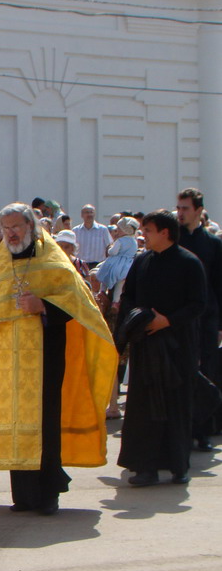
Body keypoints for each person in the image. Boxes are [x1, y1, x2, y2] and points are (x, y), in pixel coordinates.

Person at [0, 203, 116, 515]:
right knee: (12, 423)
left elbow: (78, 303)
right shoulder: (0, 265)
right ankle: (23, 496)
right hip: (5, 362)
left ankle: (48, 494)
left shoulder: (52, 260)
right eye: (5, 228)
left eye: (16, 227)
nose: (10, 234)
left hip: (45, 359)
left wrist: (43, 306)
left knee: (44, 423)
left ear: (31, 227)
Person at [117, 209, 206, 486]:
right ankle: (145, 468)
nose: (143, 235)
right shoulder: (142, 261)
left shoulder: (189, 262)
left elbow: (198, 304)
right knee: (144, 407)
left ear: (164, 233)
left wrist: (167, 321)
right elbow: (128, 296)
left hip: (178, 347)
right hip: (146, 346)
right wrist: (138, 320)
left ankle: (178, 466)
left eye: (148, 230)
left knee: (176, 406)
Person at [177, 187, 222, 450]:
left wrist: (219, 324)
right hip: (180, 319)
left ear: (198, 210)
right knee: (180, 373)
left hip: (207, 319)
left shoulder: (213, 244)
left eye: (185, 208)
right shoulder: (173, 240)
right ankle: (181, 430)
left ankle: (203, 431)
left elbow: (219, 285)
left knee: (206, 374)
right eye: (178, 208)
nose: (180, 213)